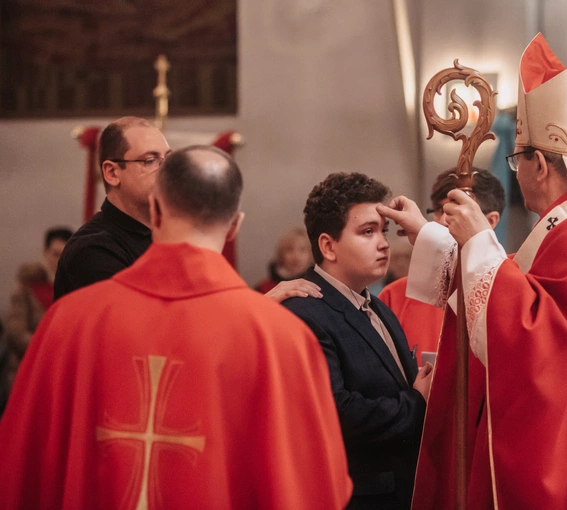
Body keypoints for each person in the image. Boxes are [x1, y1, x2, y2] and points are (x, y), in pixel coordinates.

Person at [379, 34, 567, 509]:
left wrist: (478, 241)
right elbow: (516, 290)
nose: (517, 174)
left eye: (518, 161)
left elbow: (539, 339)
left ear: (541, 164)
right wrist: (431, 236)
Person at [0, 146, 352, 509]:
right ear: (235, 225)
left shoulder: (68, 322)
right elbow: (316, 487)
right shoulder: (282, 336)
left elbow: (17, 472)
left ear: (154, 211)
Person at [282, 172, 432, 510]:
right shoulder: (306, 311)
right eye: (367, 232)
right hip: (356, 497)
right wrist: (416, 402)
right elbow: (335, 412)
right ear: (328, 246)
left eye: (384, 231)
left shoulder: (377, 306)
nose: (383, 243)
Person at [378, 168, 504, 365]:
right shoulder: (394, 296)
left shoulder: (507, 284)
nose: (445, 219)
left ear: (489, 221)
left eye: (458, 209)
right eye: (440, 210)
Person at [54, 116, 171, 299]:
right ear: (112, 173)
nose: (166, 171)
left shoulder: (168, 235)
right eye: (150, 160)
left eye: (168, 159)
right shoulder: (92, 251)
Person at [4, 227, 72, 389]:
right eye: (56, 254)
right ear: (45, 253)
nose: (59, 260)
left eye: (64, 254)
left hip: (62, 370)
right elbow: (16, 331)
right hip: (30, 368)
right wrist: (49, 348)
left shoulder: (73, 286)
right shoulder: (28, 285)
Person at [255, 227, 313, 293]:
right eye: (290, 249)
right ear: (281, 253)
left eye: (302, 249)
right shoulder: (264, 289)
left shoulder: (317, 288)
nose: (296, 256)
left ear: (311, 254)